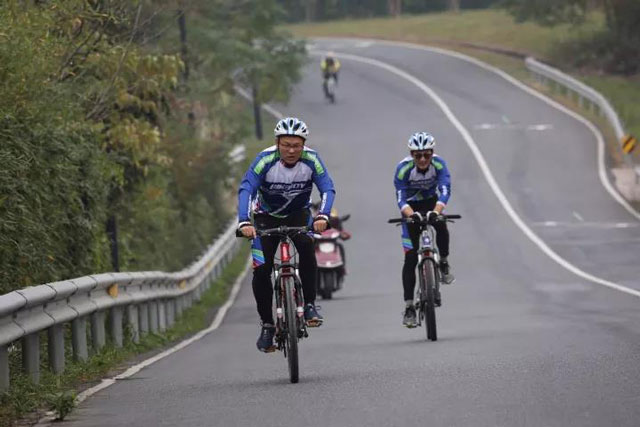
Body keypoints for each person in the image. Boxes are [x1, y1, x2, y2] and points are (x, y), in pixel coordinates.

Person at [237, 117, 336, 352]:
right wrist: (243, 220)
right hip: (264, 218)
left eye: (296, 145)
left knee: (307, 248)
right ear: (277, 143)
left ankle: (310, 304)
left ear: (304, 145)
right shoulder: (264, 160)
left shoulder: (312, 160)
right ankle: (268, 325)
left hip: (299, 215)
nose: (291, 150)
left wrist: (322, 216)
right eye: (286, 145)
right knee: (261, 269)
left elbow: (327, 188)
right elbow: (246, 189)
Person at [393, 132, 454, 328]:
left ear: (432, 153)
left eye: (426, 155)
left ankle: (443, 262)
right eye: (417, 155)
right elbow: (400, 199)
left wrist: (436, 211)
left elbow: (445, 190)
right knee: (410, 257)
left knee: (442, 228)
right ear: (411, 155)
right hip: (410, 209)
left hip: (431, 204)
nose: (422, 159)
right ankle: (409, 307)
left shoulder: (439, 165)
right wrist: (411, 215)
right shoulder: (403, 170)